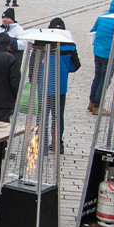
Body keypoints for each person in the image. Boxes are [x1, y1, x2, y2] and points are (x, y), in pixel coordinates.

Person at [42, 17, 80, 151]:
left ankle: (42, 143)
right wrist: (64, 69)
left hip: (43, 85)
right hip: (60, 86)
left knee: (43, 116)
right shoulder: (69, 45)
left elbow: (33, 63)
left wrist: (32, 79)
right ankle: (58, 143)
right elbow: (76, 65)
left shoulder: (41, 42)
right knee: (57, 116)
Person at [88, 0, 114, 112]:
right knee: (105, 81)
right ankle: (98, 105)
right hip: (110, 55)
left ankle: (91, 101)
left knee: (98, 77)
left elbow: (93, 31)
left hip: (98, 53)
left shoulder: (102, 17)